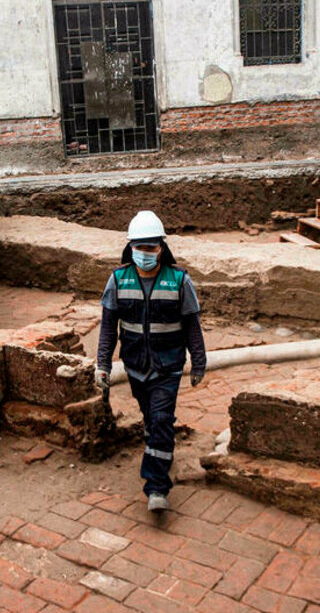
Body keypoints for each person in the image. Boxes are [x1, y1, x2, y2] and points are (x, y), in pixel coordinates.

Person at [94, 211, 207, 512]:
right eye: (140, 247)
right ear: (131, 247)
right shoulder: (118, 279)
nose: (146, 253)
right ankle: (158, 445)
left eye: (151, 247)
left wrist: (199, 362)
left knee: (159, 419)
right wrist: (102, 364)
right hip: (135, 366)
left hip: (168, 366)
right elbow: (108, 326)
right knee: (151, 418)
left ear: (161, 248)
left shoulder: (179, 281)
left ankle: (156, 487)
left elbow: (192, 325)